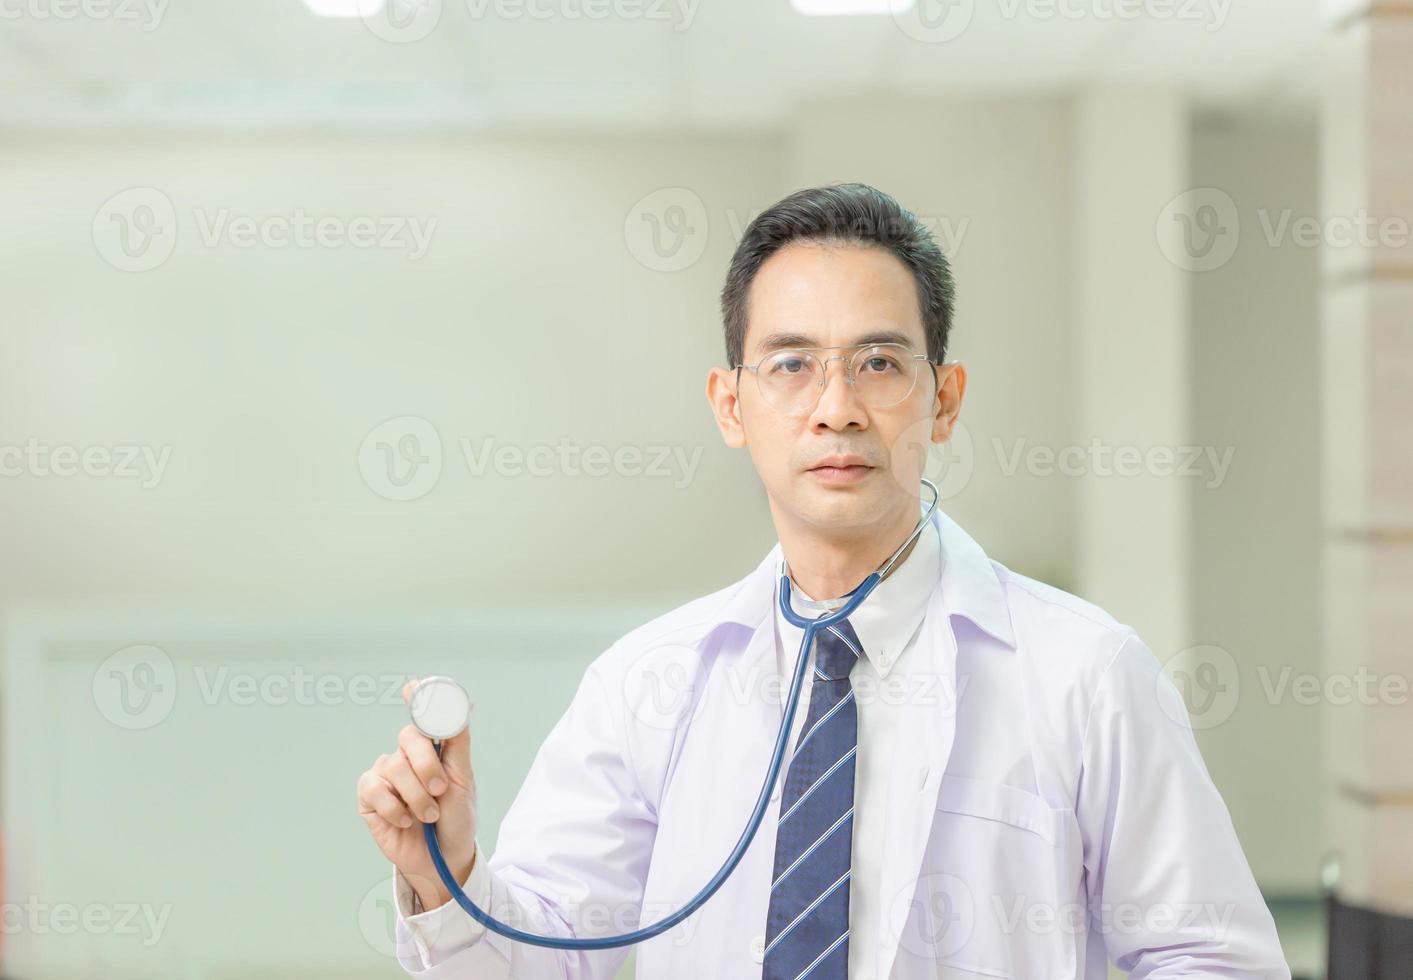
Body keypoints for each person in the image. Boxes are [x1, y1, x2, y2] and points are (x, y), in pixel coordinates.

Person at [355, 183, 1291, 979]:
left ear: (945, 398)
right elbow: (546, 957)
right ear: (731, 405)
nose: (835, 409)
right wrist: (450, 870)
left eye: (879, 364)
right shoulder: (648, 682)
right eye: (792, 365)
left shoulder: (1085, 672)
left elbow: (1211, 958)